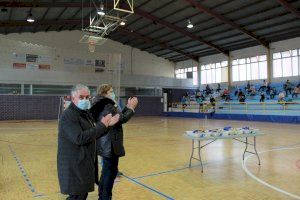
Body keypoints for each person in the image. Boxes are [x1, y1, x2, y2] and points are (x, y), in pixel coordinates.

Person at [57, 84, 120, 200]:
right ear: (73, 98)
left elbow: (93, 134)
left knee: (81, 194)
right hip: (75, 166)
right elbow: (79, 138)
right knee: (77, 196)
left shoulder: (85, 113)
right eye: (81, 97)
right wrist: (102, 125)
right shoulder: (69, 116)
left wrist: (106, 126)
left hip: (84, 163)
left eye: (87, 97)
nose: (85, 100)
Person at [90, 84, 138, 200]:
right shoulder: (107, 104)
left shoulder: (100, 103)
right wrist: (131, 108)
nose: (113, 93)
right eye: (111, 91)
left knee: (107, 171)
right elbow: (122, 119)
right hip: (110, 144)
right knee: (110, 172)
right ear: (104, 93)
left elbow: (119, 116)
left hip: (104, 142)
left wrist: (126, 107)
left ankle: (102, 195)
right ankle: (105, 197)